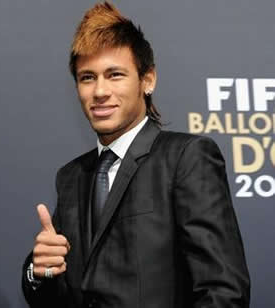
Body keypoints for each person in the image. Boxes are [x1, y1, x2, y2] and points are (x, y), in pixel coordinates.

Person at [21, 2, 250, 308]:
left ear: (147, 80)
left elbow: (223, 291)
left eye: (114, 75)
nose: (99, 91)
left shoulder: (185, 158)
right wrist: (40, 272)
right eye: (87, 77)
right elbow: (64, 297)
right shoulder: (71, 176)